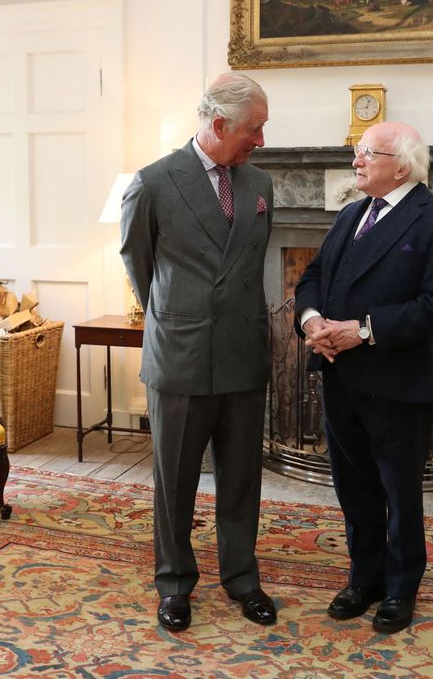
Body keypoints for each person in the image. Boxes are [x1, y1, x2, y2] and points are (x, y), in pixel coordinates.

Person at [294, 121, 433, 634]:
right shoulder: (350, 215)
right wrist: (313, 322)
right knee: (354, 489)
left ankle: (400, 588)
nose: (356, 162)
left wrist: (363, 331)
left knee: (399, 492)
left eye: (367, 153)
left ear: (403, 164)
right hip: (338, 374)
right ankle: (363, 579)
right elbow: (312, 278)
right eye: (357, 153)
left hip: (396, 382)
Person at [120, 73, 276, 632]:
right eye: (254, 129)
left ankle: (242, 579)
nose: (260, 140)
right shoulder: (153, 182)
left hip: (242, 354)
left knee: (241, 479)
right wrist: (175, 314)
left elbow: (253, 266)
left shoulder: (259, 184)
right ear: (218, 125)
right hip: (180, 358)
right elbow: (138, 265)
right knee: (175, 482)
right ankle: (174, 584)